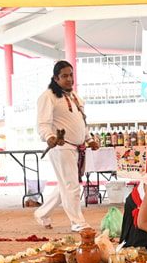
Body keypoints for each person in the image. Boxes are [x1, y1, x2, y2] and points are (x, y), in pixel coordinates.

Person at [34, 60, 99, 231]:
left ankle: (42, 213)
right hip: (61, 147)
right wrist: (49, 137)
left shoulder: (75, 96)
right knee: (71, 185)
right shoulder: (47, 97)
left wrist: (89, 139)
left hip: (77, 148)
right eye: (64, 76)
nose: (69, 79)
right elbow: (42, 124)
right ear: (56, 78)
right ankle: (78, 222)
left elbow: (82, 122)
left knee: (66, 185)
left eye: (71, 75)